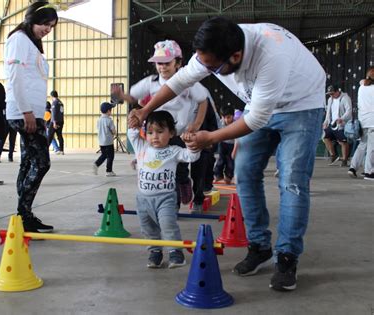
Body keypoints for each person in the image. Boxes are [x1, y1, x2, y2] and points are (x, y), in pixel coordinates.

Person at [129, 17, 326, 291]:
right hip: (258, 102)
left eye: (213, 69)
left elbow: (256, 119)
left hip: (301, 105)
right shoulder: (216, 47)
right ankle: (259, 246)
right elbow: (180, 81)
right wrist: (145, 110)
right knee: (244, 174)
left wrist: (210, 137)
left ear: (236, 56)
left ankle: (287, 257)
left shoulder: (272, 57)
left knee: (292, 181)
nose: (208, 71)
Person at [114, 39, 208, 206]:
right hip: (157, 133)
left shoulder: (187, 82)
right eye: (159, 63)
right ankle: (173, 205)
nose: (162, 67)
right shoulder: (152, 82)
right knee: (162, 167)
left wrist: (196, 124)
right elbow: (133, 97)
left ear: (178, 63)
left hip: (178, 132)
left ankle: (184, 181)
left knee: (180, 168)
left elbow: (203, 100)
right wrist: (122, 96)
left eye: (167, 63)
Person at [4, 2, 58, 233]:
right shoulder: (19, 39)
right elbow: (14, 76)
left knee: (28, 161)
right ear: (32, 20)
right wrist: (27, 112)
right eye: (45, 24)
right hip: (23, 111)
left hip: (32, 111)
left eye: (52, 26)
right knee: (41, 162)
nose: (48, 29)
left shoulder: (30, 43)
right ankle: (23, 214)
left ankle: (23, 214)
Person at [128, 110, 200, 268]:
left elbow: (192, 156)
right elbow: (132, 133)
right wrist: (134, 121)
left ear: (171, 133)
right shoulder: (142, 147)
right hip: (143, 200)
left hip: (166, 198)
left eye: (160, 132)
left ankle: (176, 252)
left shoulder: (173, 151)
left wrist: (191, 143)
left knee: (168, 225)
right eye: (150, 132)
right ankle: (155, 251)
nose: (154, 136)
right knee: (148, 228)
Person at [348, 68, 374, 180]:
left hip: (363, 121)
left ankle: (353, 168)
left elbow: (362, 82)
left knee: (362, 145)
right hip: (373, 122)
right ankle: (369, 172)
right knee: (372, 148)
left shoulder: (361, 87)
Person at [322, 85, 352, 167]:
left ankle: (345, 160)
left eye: (332, 93)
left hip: (342, 124)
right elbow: (328, 113)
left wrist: (342, 118)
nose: (331, 95)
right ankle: (333, 155)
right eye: (329, 94)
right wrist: (325, 122)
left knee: (343, 142)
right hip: (332, 124)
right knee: (325, 137)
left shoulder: (345, 98)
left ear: (338, 91)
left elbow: (349, 111)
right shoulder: (330, 99)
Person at [93, 102, 116, 176]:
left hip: (101, 142)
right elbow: (113, 131)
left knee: (104, 155)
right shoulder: (109, 120)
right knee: (110, 156)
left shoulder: (99, 120)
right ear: (108, 111)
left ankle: (97, 165)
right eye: (111, 110)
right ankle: (108, 170)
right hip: (108, 142)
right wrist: (114, 133)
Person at [214, 106, 236, 185]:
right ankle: (218, 175)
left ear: (233, 116)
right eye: (224, 117)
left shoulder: (236, 124)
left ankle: (228, 176)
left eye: (228, 117)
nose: (226, 120)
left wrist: (235, 150)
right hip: (222, 143)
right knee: (221, 159)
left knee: (231, 161)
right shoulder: (221, 123)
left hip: (232, 145)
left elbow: (238, 139)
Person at [48, 90, 64, 154]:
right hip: (61, 121)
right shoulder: (61, 102)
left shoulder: (54, 102)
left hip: (55, 121)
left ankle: (45, 149)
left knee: (49, 135)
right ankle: (61, 150)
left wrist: (54, 122)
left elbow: (54, 113)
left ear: (52, 96)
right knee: (59, 135)